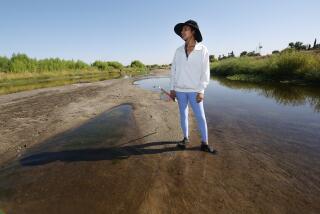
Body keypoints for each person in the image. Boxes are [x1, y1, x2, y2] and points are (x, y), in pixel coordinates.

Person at [169, 19, 216, 153]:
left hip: (195, 90)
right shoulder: (178, 50)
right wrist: (172, 89)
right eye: (182, 30)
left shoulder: (203, 50)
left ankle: (205, 143)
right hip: (180, 90)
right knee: (183, 115)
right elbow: (174, 70)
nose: (182, 32)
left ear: (193, 31)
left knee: (200, 116)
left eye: (185, 29)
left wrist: (201, 90)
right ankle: (185, 138)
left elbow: (205, 72)